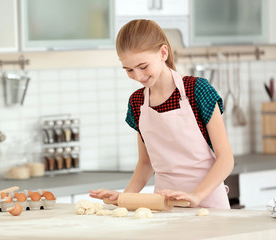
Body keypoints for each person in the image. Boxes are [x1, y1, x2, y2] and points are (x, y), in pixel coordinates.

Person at [89, 19, 234, 209]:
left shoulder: (197, 90)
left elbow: (226, 159)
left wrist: (196, 196)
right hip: (165, 206)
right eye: (129, 70)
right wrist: (124, 198)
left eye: (143, 66)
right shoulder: (137, 102)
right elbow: (145, 164)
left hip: (208, 203)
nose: (138, 76)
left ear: (163, 53)